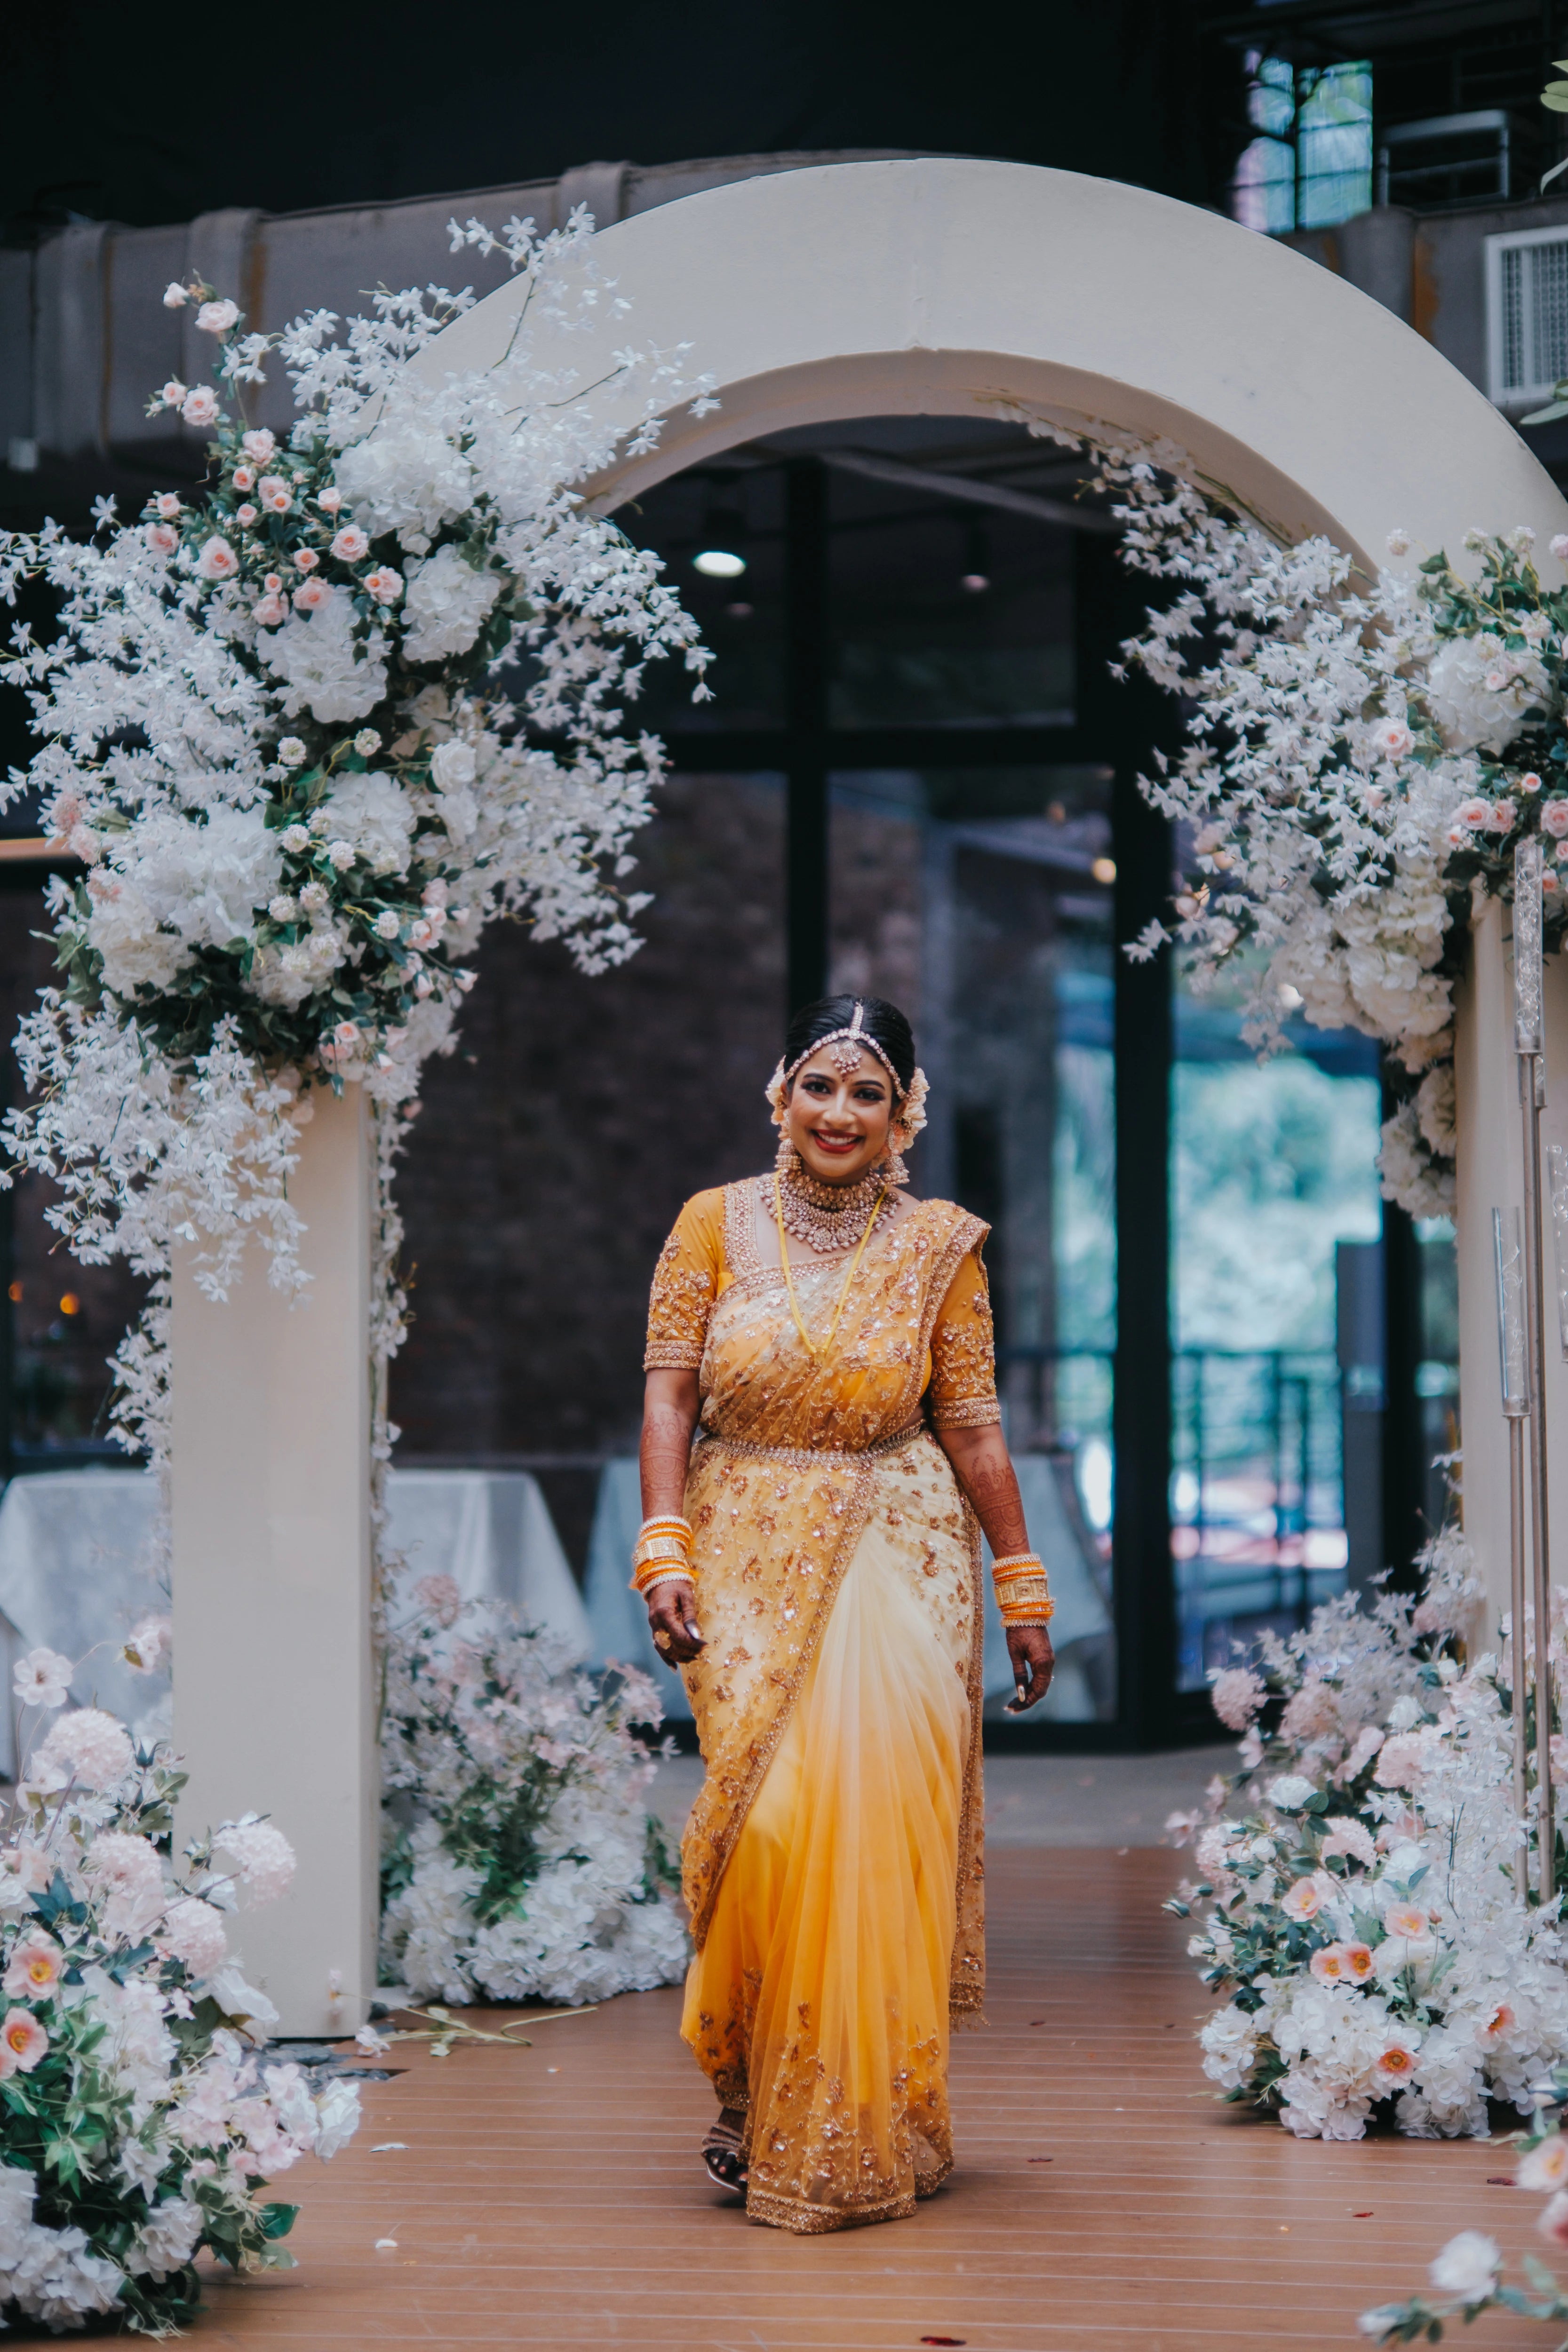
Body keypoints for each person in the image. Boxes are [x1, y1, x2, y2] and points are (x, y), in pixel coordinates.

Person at [634, 994, 1055, 2234]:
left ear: (901, 1115)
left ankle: (839, 2115)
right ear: (783, 1093)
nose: (839, 1111)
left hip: (896, 1540)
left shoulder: (942, 1250)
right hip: (740, 1537)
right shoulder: (712, 1226)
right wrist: (665, 1549)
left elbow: (973, 1426)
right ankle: (753, 2079)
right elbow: (668, 1398)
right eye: (821, 1084)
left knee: (866, 1827)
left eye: (867, 1092)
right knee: (759, 1830)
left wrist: (1020, 1581)